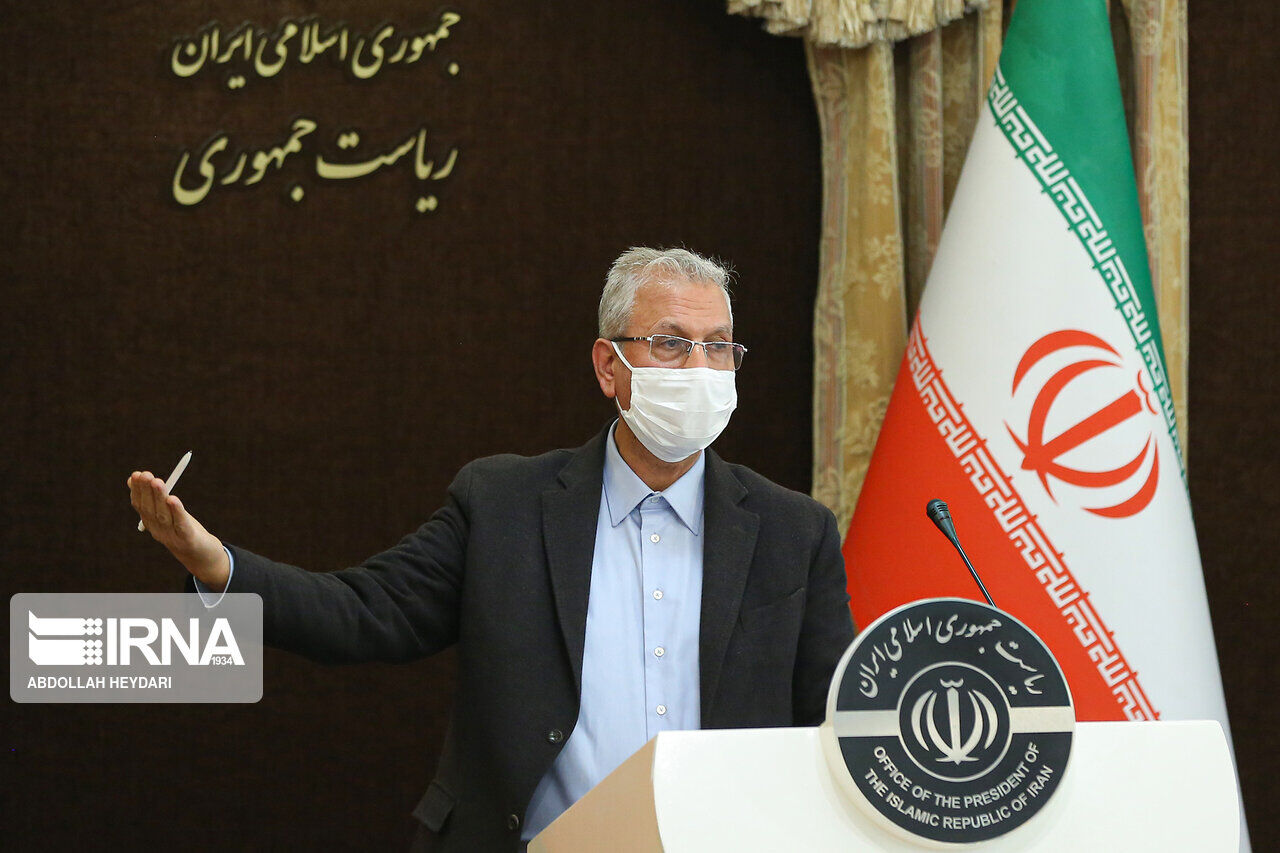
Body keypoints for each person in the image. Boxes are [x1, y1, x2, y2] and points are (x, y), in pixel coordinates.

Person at [127, 246, 855, 851]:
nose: (698, 368)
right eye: (670, 342)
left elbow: (834, 727)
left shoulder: (795, 532)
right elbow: (365, 611)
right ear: (609, 366)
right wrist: (216, 565)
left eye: (718, 346)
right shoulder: (504, 504)